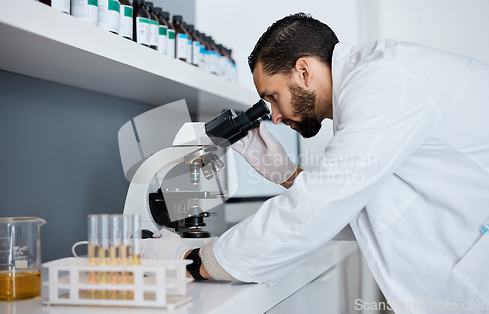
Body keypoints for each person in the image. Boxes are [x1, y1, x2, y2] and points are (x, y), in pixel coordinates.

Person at [141, 13, 489, 312]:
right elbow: (363, 206)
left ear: (303, 71)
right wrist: (289, 175)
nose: (273, 117)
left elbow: (320, 206)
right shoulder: (374, 80)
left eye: (272, 97)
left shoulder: (384, 82)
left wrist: (193, 261)